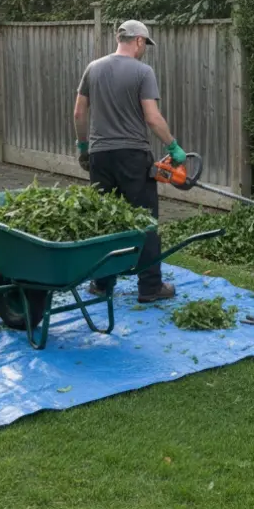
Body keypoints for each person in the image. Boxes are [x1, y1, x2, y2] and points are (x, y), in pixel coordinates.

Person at [73, 20, 187, 302]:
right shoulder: (143, 72)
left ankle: (102, 284)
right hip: (133, 157)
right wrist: (173, 146)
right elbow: (152, 117)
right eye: (145, 44)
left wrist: (84, 147)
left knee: (104, 219)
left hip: (100, 156)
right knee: (144, 221)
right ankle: (150, 287)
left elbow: (79, 113)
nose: (144, 49)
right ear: (138, 41)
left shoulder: (93, 68)